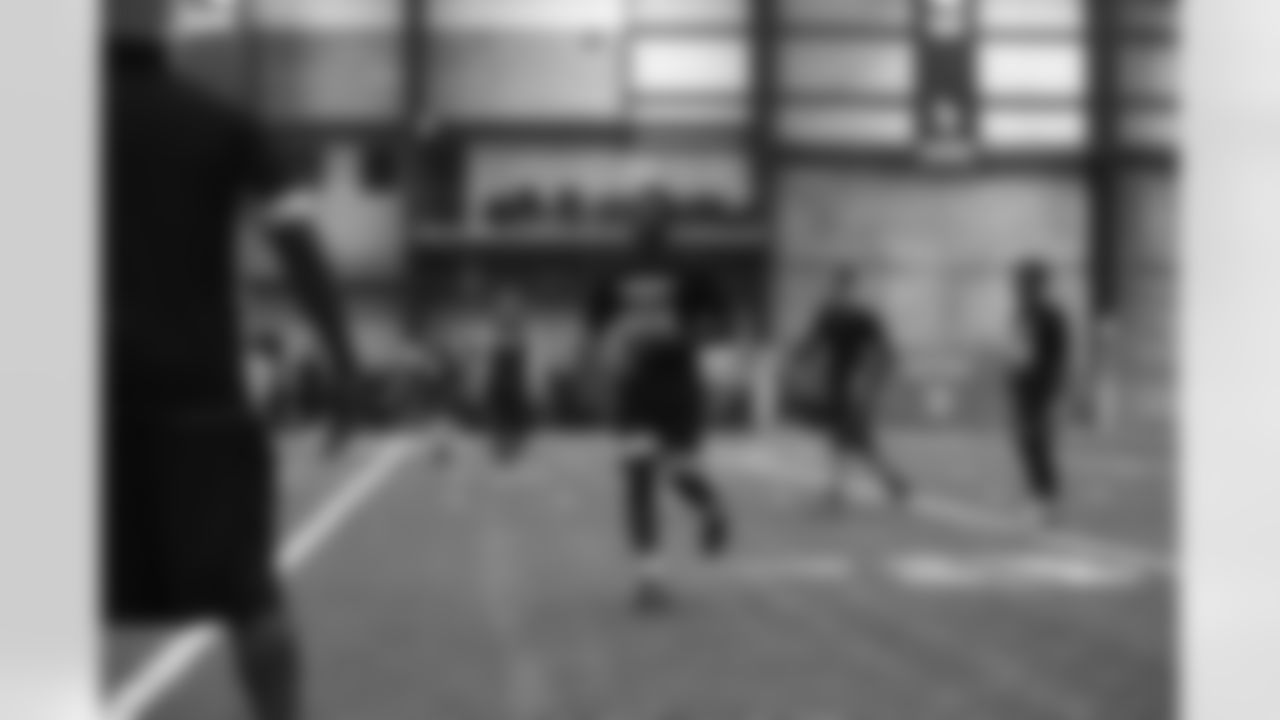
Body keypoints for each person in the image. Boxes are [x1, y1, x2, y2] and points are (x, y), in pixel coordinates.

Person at [105, 1, 358, 718]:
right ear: (168, 17)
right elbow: (301, 249)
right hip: (198, 399)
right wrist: (344, 364)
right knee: (252, 599)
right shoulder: (225, 125)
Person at [588, 221, 732, 612]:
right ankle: (650, 576)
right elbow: (719, 321)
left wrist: (615, 355)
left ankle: (705, 514)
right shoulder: (686, 271)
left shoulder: (632, 274)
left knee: (662, 475)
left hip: (657, 386)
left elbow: (597, 332)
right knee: (648, 477)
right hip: (662, 388)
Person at [796, 267, 912, 513]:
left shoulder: (853, 316)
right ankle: (882, 484)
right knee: (847, 439)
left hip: (850, 387)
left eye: (841, 287)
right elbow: (810, 344)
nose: (841, 292)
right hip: (841, 385)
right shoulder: (839, 315)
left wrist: (871, 381)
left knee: (855, 440)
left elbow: (885, 350)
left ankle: (885, 483)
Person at [1008, 261, 1071, 524]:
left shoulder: (1050, 317)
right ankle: (1038, 495)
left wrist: (1051, 392)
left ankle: (1045, 500)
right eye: (1019, 284)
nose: (1020, 289)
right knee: (1026, 443)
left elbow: (1057, 359)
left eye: (1026, 283)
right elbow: (1016, 352)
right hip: (1022, 388)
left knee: (1039, 443)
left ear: (1037, 285)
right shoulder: (1021, 314)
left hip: (1041, 390)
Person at [484, 291, 534, 461]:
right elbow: (496, 382)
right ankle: (505, 442)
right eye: (505, 312)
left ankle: (510, 442)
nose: (508, 316)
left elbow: (518, 383)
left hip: (512, 390)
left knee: (510, 407)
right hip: (503, 389)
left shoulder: (517, 341)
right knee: (503, 408)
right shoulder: (499, 341)